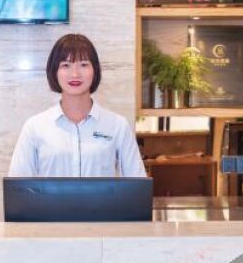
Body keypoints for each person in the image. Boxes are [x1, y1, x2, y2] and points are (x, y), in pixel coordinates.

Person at [8, 34, 147, 177]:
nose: (75, 74)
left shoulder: (118, 126)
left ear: (95, 70)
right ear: (54, 71)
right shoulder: (35, 127)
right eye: (66, 65)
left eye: (84, 65)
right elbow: (18, 186)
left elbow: (137, 182)